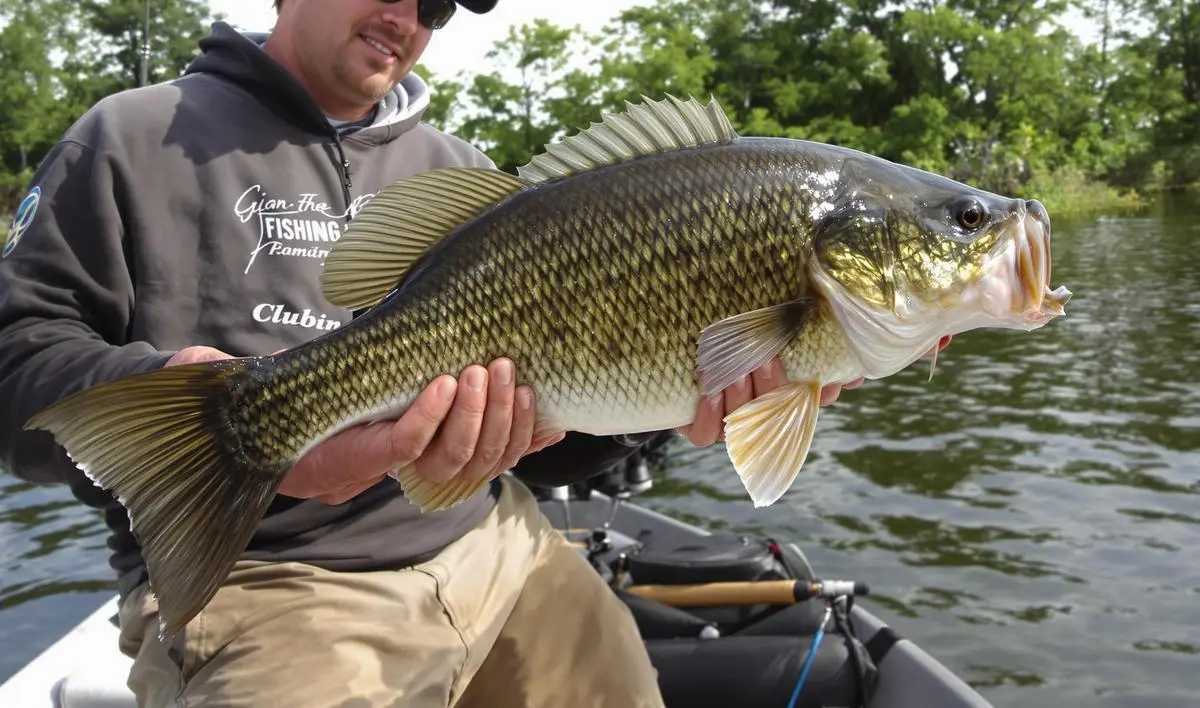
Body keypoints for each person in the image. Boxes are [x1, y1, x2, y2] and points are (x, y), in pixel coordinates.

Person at [0, 1, 891, 706]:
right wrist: (172, 390)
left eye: (436, 5)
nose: (409, 16)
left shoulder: (461, 171)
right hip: (267, 581)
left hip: (496, 544)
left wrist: (658, 413)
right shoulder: (132, 137)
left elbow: (547, 430)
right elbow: (16, 357)